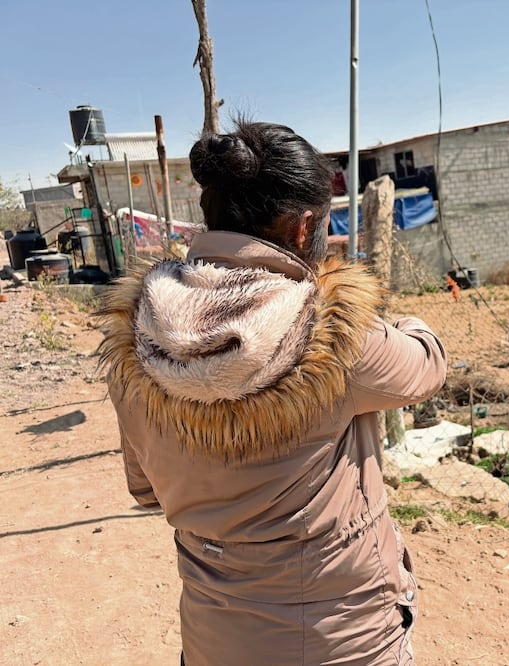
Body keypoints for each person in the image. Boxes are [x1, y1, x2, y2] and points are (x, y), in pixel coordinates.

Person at [99, 120, 447, 665]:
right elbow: (426, 368)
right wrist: (404, 322)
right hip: (344, 642)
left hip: (217, 639)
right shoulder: (332, 329)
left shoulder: (136, 335)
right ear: (304, 225)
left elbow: (147, 492)